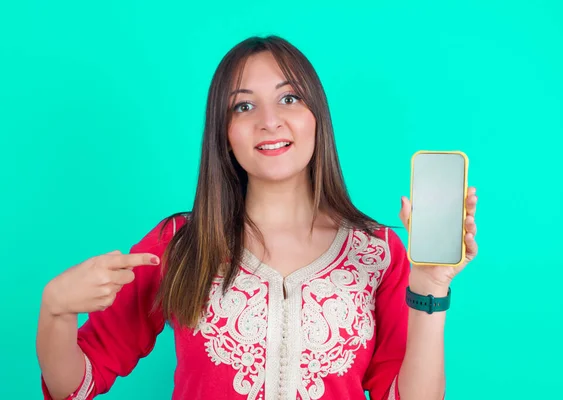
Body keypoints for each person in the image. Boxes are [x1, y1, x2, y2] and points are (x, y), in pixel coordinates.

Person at [36, 35, 478, 400]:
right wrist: (55, 309)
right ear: (223, 133)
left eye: (289, 98)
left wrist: (430, 290)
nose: (269, 121)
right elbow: (74, 384)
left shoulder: (378, 252)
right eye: (243, 106)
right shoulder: (179, 244)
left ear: (316, 117)